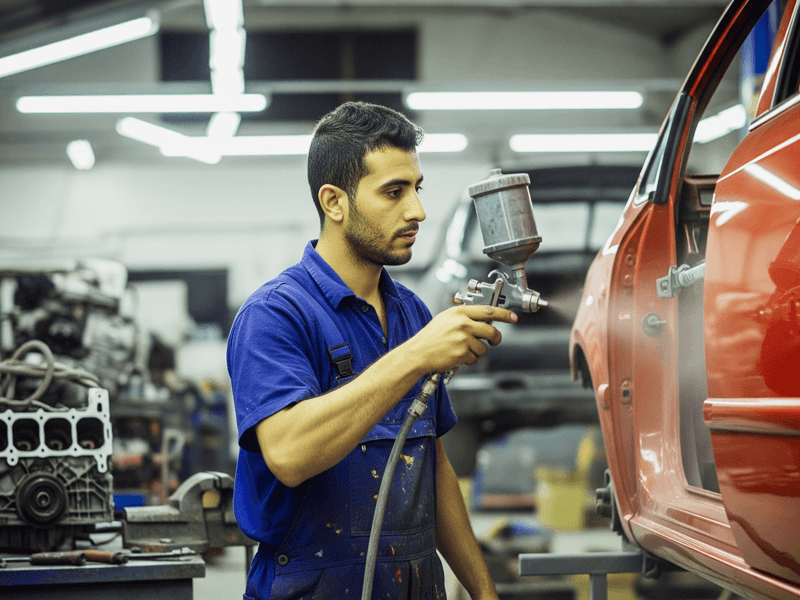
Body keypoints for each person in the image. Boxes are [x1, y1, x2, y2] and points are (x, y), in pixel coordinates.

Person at [228, 101, 514, 600]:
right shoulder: (274, 315)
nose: (417, 211)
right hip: (313, 585)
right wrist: (415, 356)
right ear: (334, 202)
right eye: (394, 192)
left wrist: (484, 592)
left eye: (417, 189)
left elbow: (431, 464)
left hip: (415, 583)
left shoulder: (411, 313)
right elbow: (290, 454)